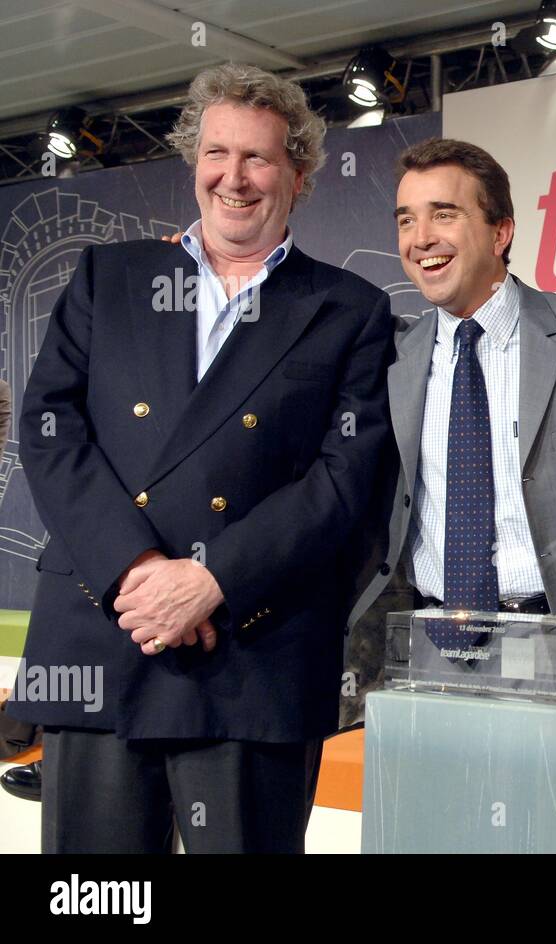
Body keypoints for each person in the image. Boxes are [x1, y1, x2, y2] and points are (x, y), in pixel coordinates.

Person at [8, 63, 393, 853]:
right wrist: (138, 570)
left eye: (258, 158)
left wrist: (212, 581)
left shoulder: (349, 310)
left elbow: (344, 478)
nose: (235, 178)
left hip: (253, 653)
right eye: (218, 153)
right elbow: (50, 428)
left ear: (300, 172)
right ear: (195, 163)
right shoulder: (107, 279)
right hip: (107, 632)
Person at [347, 138, 556, 711]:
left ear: (500, 231)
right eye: (406, 219)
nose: (420, 238)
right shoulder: (388, 358)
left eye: (444, 214)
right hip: (427, 650)